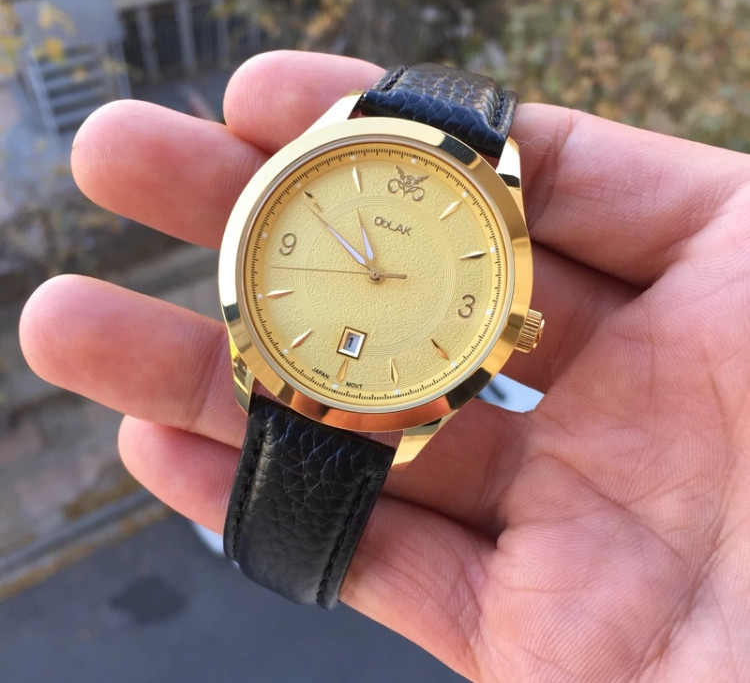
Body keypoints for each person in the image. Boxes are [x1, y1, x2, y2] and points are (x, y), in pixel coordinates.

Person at [19, 51, 750, 681]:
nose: (377, 273)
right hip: (286, 359)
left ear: (513, 329)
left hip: (366, 384)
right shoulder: (336, 144)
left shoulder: (495, 217)